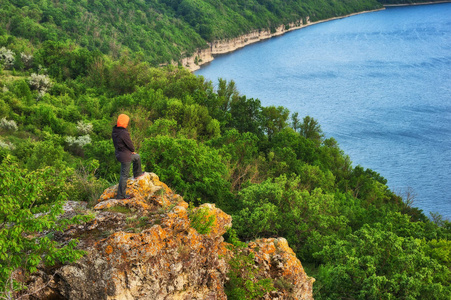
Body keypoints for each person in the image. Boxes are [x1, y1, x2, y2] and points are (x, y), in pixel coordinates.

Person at [112, 114, 144, 199]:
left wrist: (130, 152)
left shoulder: (115, 130)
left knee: (137, 157)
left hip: (119, 154)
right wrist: (131, 151)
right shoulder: (123, 133)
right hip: (125, 156)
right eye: (126, 122)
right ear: (124, 122)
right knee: (124, 175)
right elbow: (131, 146)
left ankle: (137, 174)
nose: (127, 124)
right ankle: (121, 195)